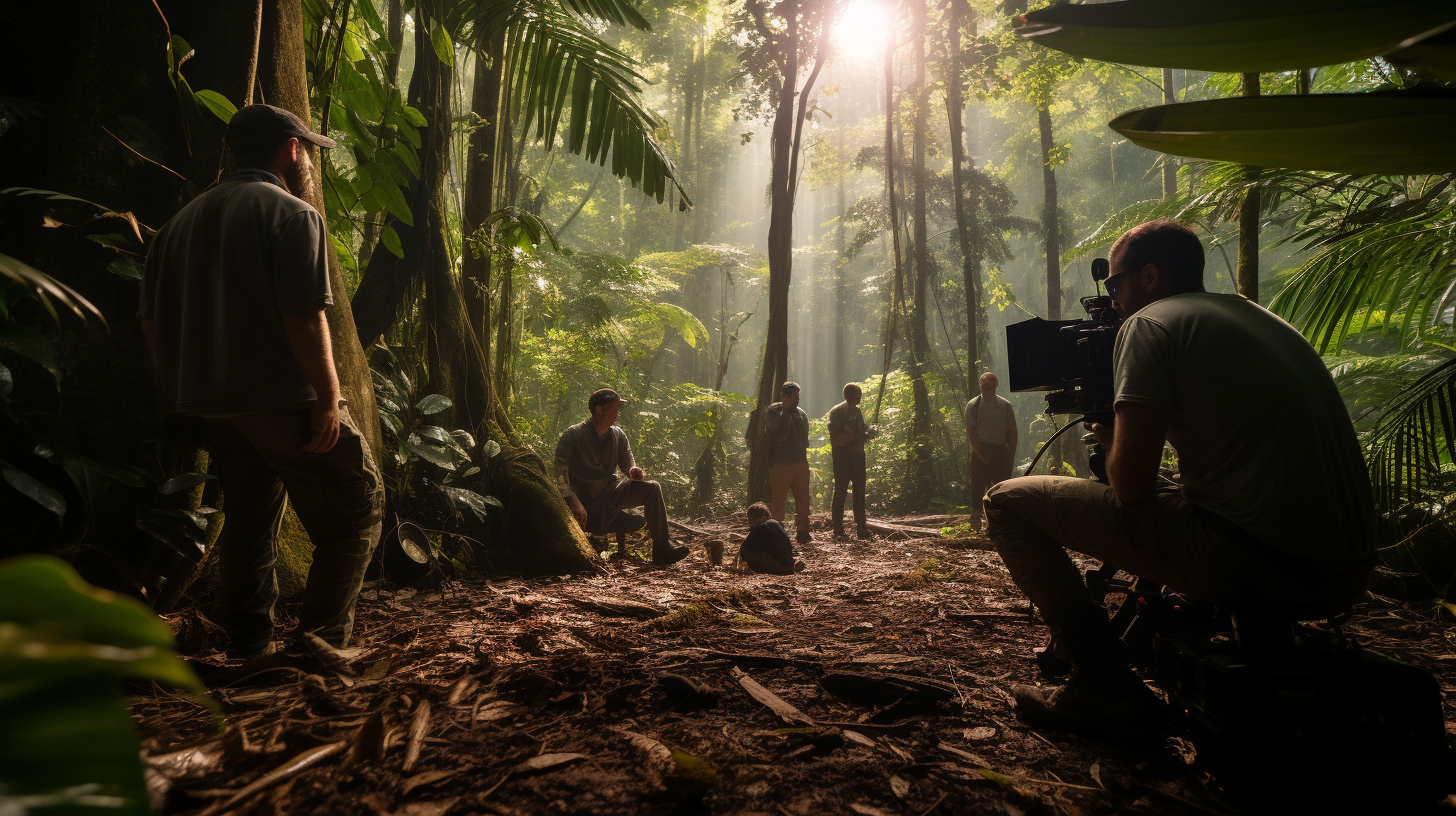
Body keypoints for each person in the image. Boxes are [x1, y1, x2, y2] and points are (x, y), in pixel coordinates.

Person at [984, 219, 1375, 739]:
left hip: (1248, 561)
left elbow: (1130, 487)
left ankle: (1103, 686)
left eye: (1115, 284)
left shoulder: (1152, 324)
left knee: (1007, 501)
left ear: (1150, 275)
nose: (1112, 300)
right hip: (1344, 572)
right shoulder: (1261, 320)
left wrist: (1112, 445)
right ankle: (1265, 654)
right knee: (1203, 497)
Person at [140, 104, 384, 659]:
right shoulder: (293, 215)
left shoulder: (177, 225)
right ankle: (320, 647)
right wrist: (328, 398)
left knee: (250, 518)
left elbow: (151, 323)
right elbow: (304, 315)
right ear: (291, 150)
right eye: (307, 155)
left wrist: (178, 396)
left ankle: (247, 641)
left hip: (210, 409)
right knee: (355, 512)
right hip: (284, 403)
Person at [554, 388, 689, 566]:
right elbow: (559, 475)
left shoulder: (618, 434)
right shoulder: (574, 434)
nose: (618, 413)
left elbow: (628, 464)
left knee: (653, 488)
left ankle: (662, 550)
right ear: (600, 409)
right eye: (615, 408)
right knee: (627, 519)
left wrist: (634, 471)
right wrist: (573, 500)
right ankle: (610, 522)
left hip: (612, 493)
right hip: (585, 502)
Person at [966, 372, 1018, 530]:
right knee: (977, 486)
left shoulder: (1005, 405)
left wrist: (1011, 455)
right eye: (983, 385)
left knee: (1001, 488)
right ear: (980, 385)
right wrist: (981, 454)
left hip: (1001, 450)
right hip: (981, 449)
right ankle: (976, 518)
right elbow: (971, 431)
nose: (986, 387)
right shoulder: (973, 405)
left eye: (989, 384)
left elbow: (1011, 431)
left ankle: (997, 521)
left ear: (996, 385)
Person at [765, 381, 812, 545]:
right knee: (778, 498)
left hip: (800, 461)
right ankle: (777, 531)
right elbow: (777, 434)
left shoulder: (801, 413)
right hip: (780, 463)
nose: (796, 399)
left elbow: (805, 438)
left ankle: (803, 531)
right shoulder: (774, 411)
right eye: (793, 396)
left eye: (797, 396)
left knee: (803, 498)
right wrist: (786, 411)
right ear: (785, 395)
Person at [827, 383, 876, 539]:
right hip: (846, 456)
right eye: (858, 394)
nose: (860, 396)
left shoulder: (851, 411)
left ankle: (856, 528)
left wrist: (868, 432)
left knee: (853, 490)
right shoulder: (843, 412)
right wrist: (860, 435)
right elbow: (842, 436)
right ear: (851, 395)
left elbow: (858, 431)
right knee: (845, 490)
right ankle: (843, 528)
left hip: (851, 456)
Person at [740, 502, 804, 575]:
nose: (749, 523)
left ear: (756, 519)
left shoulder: (761, 528)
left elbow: (744, 549)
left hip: (781, 567)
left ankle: (761, 569)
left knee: (747, 551)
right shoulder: (774, 524)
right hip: (788, 564)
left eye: (750, 520)